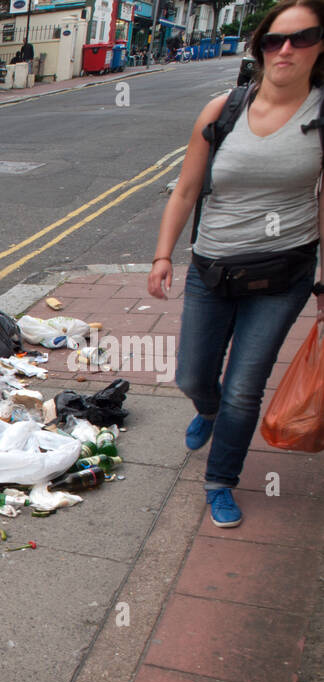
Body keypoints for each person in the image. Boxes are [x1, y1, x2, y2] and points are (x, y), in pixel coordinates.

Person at [148, 0, 324, 528]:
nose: (286, 49)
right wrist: (163, 257)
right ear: (261, 46)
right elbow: (185, 191)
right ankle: (207, 409)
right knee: (192, 375)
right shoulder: (222, 110)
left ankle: (221, 479)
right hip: (212, 269)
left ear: (320, 45)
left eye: (301, 38)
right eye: (275, 39)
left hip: (282, 275)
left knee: (246, 385)